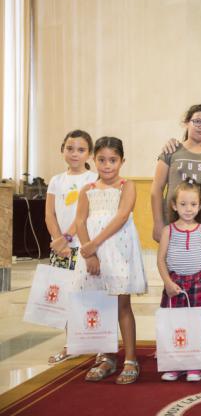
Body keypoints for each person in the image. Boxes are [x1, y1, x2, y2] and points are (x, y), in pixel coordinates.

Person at [74, 137, 148, 384]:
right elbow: (81, 221)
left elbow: (122, 215)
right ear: (93, 160)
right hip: (93, 253)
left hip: (118, 249)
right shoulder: (87, 189)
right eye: (102, 160)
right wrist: (90, 253)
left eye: (113, 160)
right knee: (99, 304)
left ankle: (130, 358)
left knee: (121, 305)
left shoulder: (127, 186)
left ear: (122, 161)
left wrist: (95, 244)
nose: (107, 165)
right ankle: (105, 356)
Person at [151, 104, 201, 353]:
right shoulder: (171, 152)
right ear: (186, 122)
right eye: (197, 121)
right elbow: (155, 189)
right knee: (179, 276)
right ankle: (178, 338)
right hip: (176, 226)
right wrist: (158, 223)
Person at [45, 130, 97, 365]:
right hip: (61, 248)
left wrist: (66, 239)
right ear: (62, 150)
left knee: (88, 295)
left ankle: (97, 344)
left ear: (89, 153)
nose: (74, 153)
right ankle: (71, 344)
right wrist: (58, 241)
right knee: (65, 297)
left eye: (81, 149)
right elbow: (49, 214)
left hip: (84, 246)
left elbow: (83, 215)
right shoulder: (56, 180)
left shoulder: (92, 179)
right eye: (70, 148)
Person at [157, 179, 201, 382]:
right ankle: (174, 364)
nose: (188, 209)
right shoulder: (168, 231)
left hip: (197, 282)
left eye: (193, 204)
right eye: (183, 204)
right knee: (175, 325)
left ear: (199, 206)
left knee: (195, 324)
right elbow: (161, 259)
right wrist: (167, 282)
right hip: (175, 284)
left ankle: (193, 364)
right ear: (174, 205)